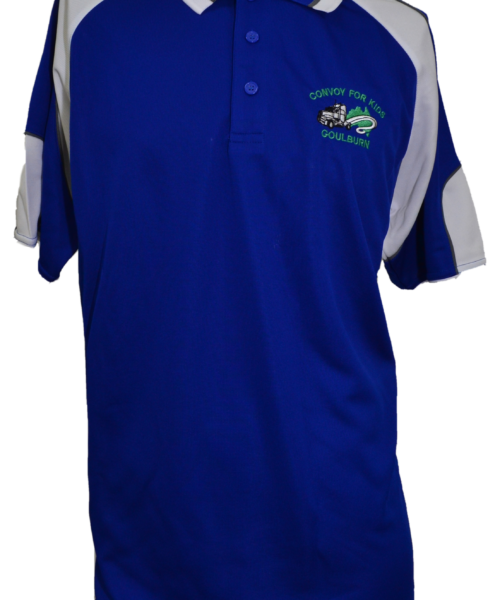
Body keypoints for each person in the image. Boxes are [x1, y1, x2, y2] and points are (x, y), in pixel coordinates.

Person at [12, 1, 487, 599]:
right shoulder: (86, 18)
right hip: (148, 563)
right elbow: (54, 231)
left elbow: (413, 248)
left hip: (348, 560)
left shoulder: (396, 37)